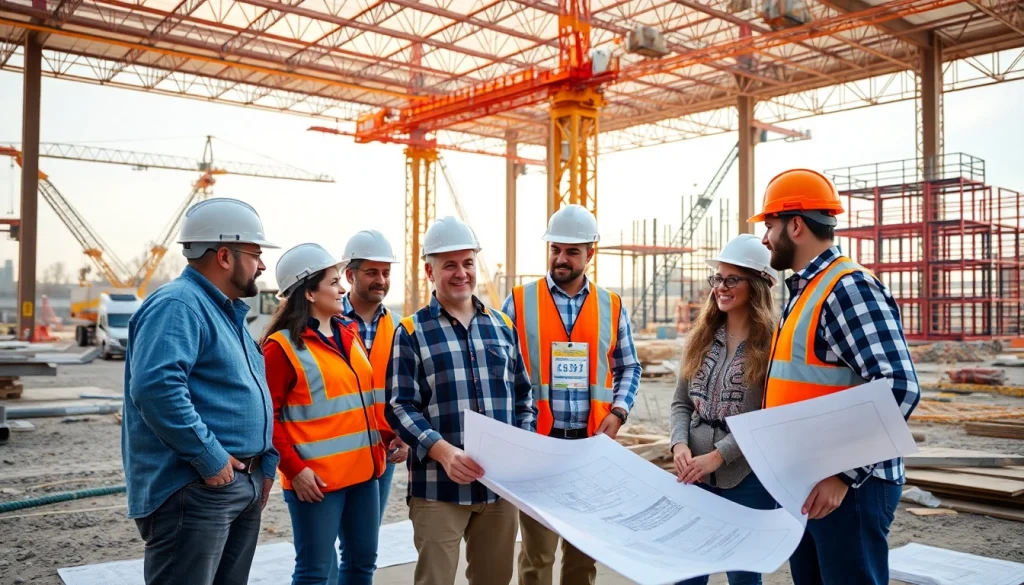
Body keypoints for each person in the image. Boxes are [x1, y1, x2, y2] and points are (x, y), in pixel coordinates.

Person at [748, 169, 921, 585]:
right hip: (812, 485)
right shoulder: (807, 290)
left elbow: (899, 387)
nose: (765, 238)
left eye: (770, 225)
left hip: (848, 491)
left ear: (795, 224)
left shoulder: (847, 288)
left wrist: (844, 474)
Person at [122, 197, 280, 585]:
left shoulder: (225, 312)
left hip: (236, 482)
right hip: (196, 488)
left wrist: (266, 464)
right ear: (225, 255)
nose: (261, 265)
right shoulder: (178, 305)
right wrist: (211, 460)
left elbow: (249, 391)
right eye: (255, 253)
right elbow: (157, 389)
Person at [385, 216, 536, 585]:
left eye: (467, 263)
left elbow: (523, 396)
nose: (461, 273)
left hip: (498, 488)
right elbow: (400, 405)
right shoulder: (410, 330)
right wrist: (444, 452)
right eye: (449, 264)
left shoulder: (502, 326)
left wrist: (521, 443)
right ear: (429, 271)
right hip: (438, 487)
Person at [502, 204, 641, 585]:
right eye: (555, 250)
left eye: (572, 252)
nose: (561, 259)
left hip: (590, 448)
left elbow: (630, 366)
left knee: (583, 558)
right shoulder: (518, 301)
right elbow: (499, 372)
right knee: (537, 555)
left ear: (590, 254)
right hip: (539, 447)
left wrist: (619, 412)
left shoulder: (611, 305)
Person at [262, 243, 394, 585]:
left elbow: (359, 401)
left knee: (362, 563)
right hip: (317, 483)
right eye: (334, 282)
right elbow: (267, 419)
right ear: (308, 293)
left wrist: (389, 436)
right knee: (314, 571)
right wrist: (294, 470)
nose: (343, 289)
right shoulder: (281, 348)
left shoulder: (348, 334)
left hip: (365, 475)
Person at [668, 234, 780, 585]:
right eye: (717, 278)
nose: (721, 286)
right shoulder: (700, 336)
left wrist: (719, 456)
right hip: (693, 476)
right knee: (687, 572)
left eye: (732, 279)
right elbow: (681, 402)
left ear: (758, 285)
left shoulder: (774, 344)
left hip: (747, 478)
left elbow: (770, 418)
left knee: (744, 576)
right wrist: (679, 445)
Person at [338, 229, 409, 522]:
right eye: (371, 272)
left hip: (381, 451)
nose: (380, 280)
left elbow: (406, 390)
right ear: (350, 276)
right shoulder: (327, 321)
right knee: (325, 544)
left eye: (385, 272)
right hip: (333, 450)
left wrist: (404, 437)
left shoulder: (399, 327)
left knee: (365, 544)